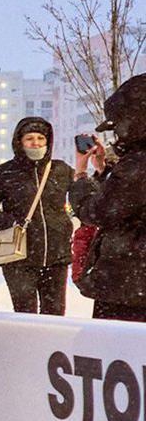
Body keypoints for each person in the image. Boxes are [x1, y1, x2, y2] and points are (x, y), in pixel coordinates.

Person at [0, 116, 73, 315]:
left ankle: (51, 347)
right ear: (19, 141)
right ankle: (27, 347)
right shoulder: (6, 172)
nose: (35, 142)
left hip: (56, 257)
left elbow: (86, 197)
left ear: (48, 141)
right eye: (29, 138)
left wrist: (70, 224)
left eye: (40, 138)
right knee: (25, 313)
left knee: (55, 315)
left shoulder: (60, 170)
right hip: (19, 258)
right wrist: (10, 221)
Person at [70, 74, 146, 322]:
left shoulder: (138, 164)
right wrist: (104, 171)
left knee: (115, 352)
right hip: (132, 284)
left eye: (118, 126)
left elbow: (97, 211)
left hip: (129, 284)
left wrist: (81, 176)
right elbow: (127, 201)